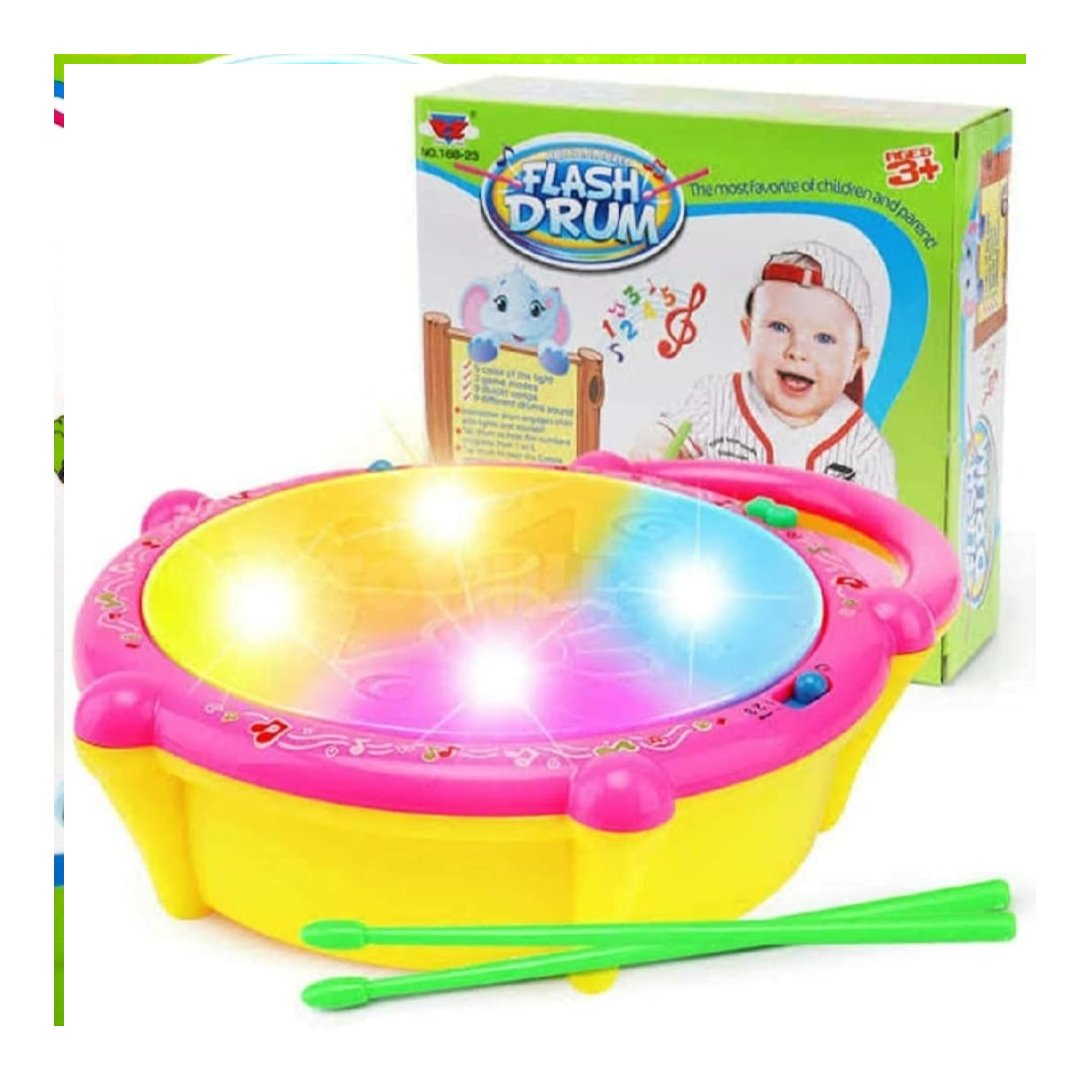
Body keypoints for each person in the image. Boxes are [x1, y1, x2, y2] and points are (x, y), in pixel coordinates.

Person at [638, 242, 897, 498]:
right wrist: (654, 450)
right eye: (779, 327)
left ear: (855, 362)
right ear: (749, 333)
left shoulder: (864, 446)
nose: (797, 351)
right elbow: (668, 432)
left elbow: (884, 516)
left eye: (824, 338)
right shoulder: (716, 399)